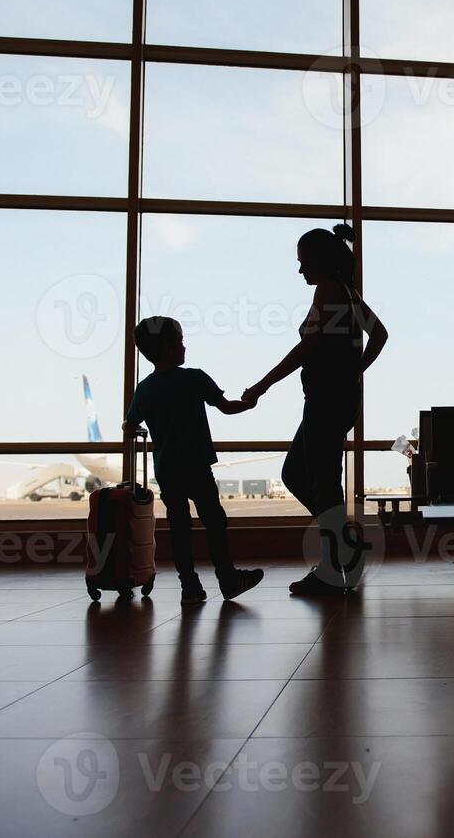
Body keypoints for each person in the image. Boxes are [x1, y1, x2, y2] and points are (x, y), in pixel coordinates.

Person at [244, 224, 388, 595]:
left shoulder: (327, 291)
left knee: (321, 483)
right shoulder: (349, 293)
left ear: (320, 260)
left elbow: (306, 349)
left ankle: (332, 565)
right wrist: (356, 371)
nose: (300, 270)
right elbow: (380, 335)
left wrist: (263, 385)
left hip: (326, 399)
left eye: (303, 261)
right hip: (337, 398)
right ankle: (344, 548)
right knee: (300, 474)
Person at [126, 316, 264, 606]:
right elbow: (227, 408)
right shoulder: (194, 378)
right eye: (179, 341)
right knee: (214, 521)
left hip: (166, 469)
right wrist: (251, 401)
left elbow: (130, 425)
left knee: (179, 527)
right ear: (167, 348)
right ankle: (227, 579)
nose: (184, 346)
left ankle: (189, 586)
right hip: (196, 465)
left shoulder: (144, 389)